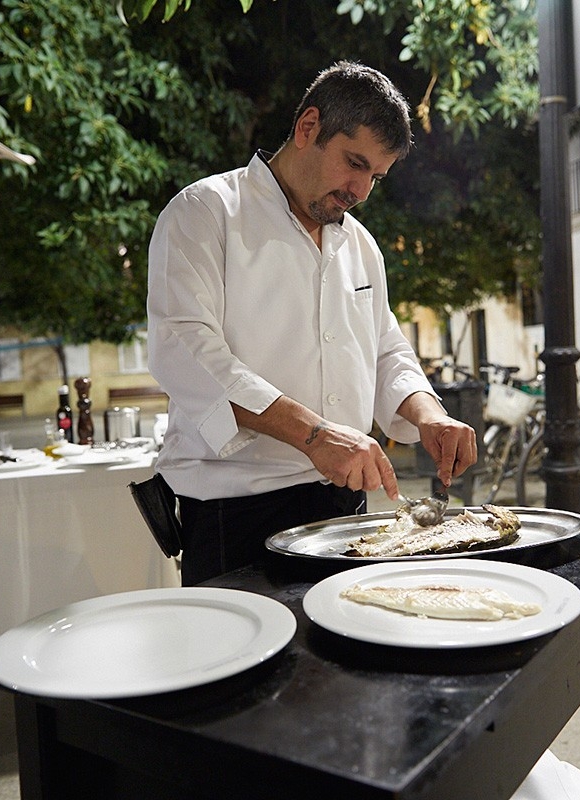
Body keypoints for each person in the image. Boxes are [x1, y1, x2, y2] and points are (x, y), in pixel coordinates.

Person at [147, 61, 477, 586]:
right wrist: (316, 434)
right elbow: (183, 353)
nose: (361, 190)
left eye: (375, 176)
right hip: (236, 508)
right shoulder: (205, 212)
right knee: (242, 665)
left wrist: (428, 415)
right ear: (308, 127)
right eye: (354, 163)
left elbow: (386, 349)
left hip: (344, 504)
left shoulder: (361, 245)